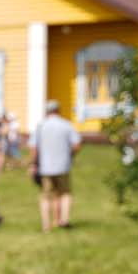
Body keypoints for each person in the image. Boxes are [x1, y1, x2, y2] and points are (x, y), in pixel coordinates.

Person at [30, 99, 81, 232]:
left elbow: (34, 148)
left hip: (45, 167)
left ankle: (46, 225)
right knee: (64, 193)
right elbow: (76, 145)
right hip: (63, 165)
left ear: (46, 112)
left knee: (46, 196)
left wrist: (33, 164)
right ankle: (64, 219)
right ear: (58, 110)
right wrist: (69, 155)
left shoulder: (40, 126)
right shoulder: (67, 125)